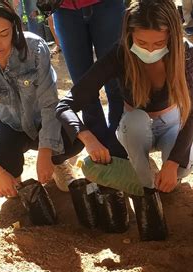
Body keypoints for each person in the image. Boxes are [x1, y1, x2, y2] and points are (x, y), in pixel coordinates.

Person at [56, 0, 193, 228]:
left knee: (181, 166)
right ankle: (145, 182)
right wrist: (87, 137)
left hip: (172, 123)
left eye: (159, 43)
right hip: (135, 128)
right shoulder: (120, 54)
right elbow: (65, 105)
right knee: (135, 121)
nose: (150, 50)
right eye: (142, 42)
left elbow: (192, 114)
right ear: (129, 34)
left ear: (172, 36)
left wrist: (171, 164)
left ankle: (157, 175)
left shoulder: (185, 52)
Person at [0, 0, 82, 198]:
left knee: (74, 137)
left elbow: (50, 103)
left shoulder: (35, 48)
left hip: (42, 120)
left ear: (14, 25)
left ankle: (59, 163)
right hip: (8, 124)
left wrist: (46, 152)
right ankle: (14, 178)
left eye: (4, 33)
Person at [52, 0, 127, 159]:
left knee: (117, 84)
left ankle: (120, 150)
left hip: (107, 6)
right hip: (64, 9)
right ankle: (99, 153)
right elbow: (80, 94)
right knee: (83, 89)